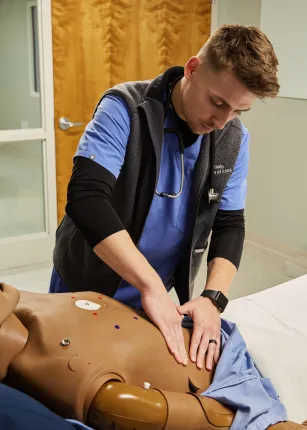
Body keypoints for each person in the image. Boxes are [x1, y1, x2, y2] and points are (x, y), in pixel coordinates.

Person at [50, 24, 279, 372]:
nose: (222, 121)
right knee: (65, 379)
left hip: (154, 293)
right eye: (217, 102)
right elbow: (86, 198)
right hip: (89, 279)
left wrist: (212, 298)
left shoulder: (234, 138)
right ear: (192, 69)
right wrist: (150, 284)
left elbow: (230, 223)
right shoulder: (125, 107)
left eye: (237, 111)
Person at [1, 281, 307, 430]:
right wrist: (258, 423)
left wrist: (211, 299)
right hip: (218, 379)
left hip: (208, 342)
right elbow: (120, 407)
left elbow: (230, 220)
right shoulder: (49, 363)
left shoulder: (18, 302)